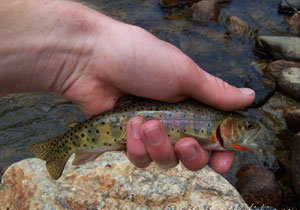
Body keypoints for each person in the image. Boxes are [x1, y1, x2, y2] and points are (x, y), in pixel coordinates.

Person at [0, 0, 255, 174]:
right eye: (247, 126)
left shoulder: (215, 129)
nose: (248, 130)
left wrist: (83, 56)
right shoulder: (212, 130)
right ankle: (64, 146)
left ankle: (70, 146)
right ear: (229, 126)